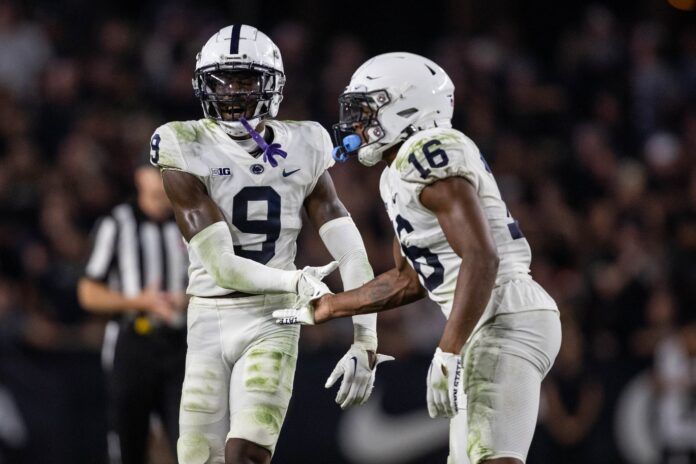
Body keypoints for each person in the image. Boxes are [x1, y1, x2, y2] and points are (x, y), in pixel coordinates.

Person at [274, 52, 562, 464]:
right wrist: (328, 306)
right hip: (495, 319)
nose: (356, 123)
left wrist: (448, 349)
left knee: (491, 458)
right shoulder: (397, 173)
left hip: (503, 314)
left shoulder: (426, 149)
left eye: (367, 110)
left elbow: (482, 256)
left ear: (405, 105)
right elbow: (408, 280)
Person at [150, 25, 388, 464]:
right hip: (209, 313)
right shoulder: (183, 143)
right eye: (222, 80)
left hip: (274, 317)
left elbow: (351, 251)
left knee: (246, 454)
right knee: (197, 458)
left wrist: (365, 340)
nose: (232, 92)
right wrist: (296, 280)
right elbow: (221, 265)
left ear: (272, 84)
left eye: (245, 79)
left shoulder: (306, 143)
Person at [78, 163, 189, 464]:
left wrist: (187, 299)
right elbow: (88, 292)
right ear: (140, 176)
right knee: (129, 441)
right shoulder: (117, 223)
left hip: (181, 344)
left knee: (191, 440)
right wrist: (139, 301)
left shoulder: (189, 222)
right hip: (132, 343)